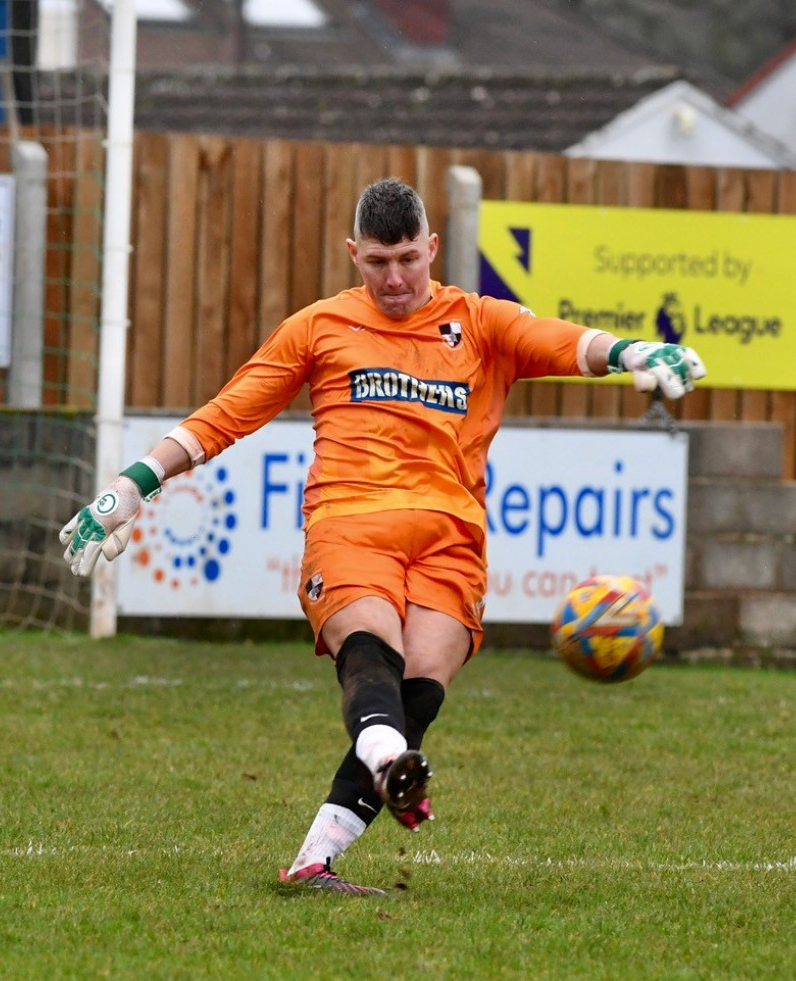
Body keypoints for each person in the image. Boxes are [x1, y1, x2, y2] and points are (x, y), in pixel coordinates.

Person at [60, 177, 705, 896]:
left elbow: (561, 340)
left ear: (431, 247)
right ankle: (390, 769)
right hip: (350, 525)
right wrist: (131, 486)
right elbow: (227, 413)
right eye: (377, 262)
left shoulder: (480, 320)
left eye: (406, 258)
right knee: (372, 659)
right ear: (352, 255)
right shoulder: (320, 327)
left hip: (452, 541)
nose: (394, 278)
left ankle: (315, 858)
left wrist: (632, 352)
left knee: (419, 690)